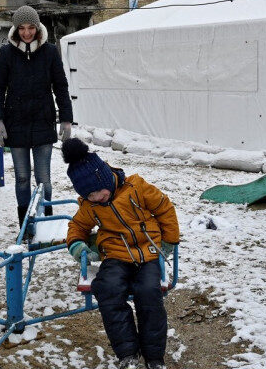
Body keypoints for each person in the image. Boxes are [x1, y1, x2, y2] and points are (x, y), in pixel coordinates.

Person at [62, 138, 180, 369]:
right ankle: (127, 353)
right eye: (89, 195)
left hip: (147, 251)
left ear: (105, 178)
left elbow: (164, 208)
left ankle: (154, 357)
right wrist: (77, 245)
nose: (96, 198)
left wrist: (169, 241)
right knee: (107, 289)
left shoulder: (136, 188)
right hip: (115, 254)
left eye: (98, 191)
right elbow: (77, 226)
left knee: (148, 292)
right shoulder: (91, 205)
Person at [0, 5, 73, 229]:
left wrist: (66, 118)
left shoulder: (49, 52)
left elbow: (61, 86)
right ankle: (26, 226)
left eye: (31, 28)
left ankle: (46, 223)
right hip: (15, 123)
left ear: (38, 28)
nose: (26, 33)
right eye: (22, 28)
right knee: (22, 178)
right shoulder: (7, 53)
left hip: (43, 121)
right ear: (16, 29)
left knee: (43, 178)